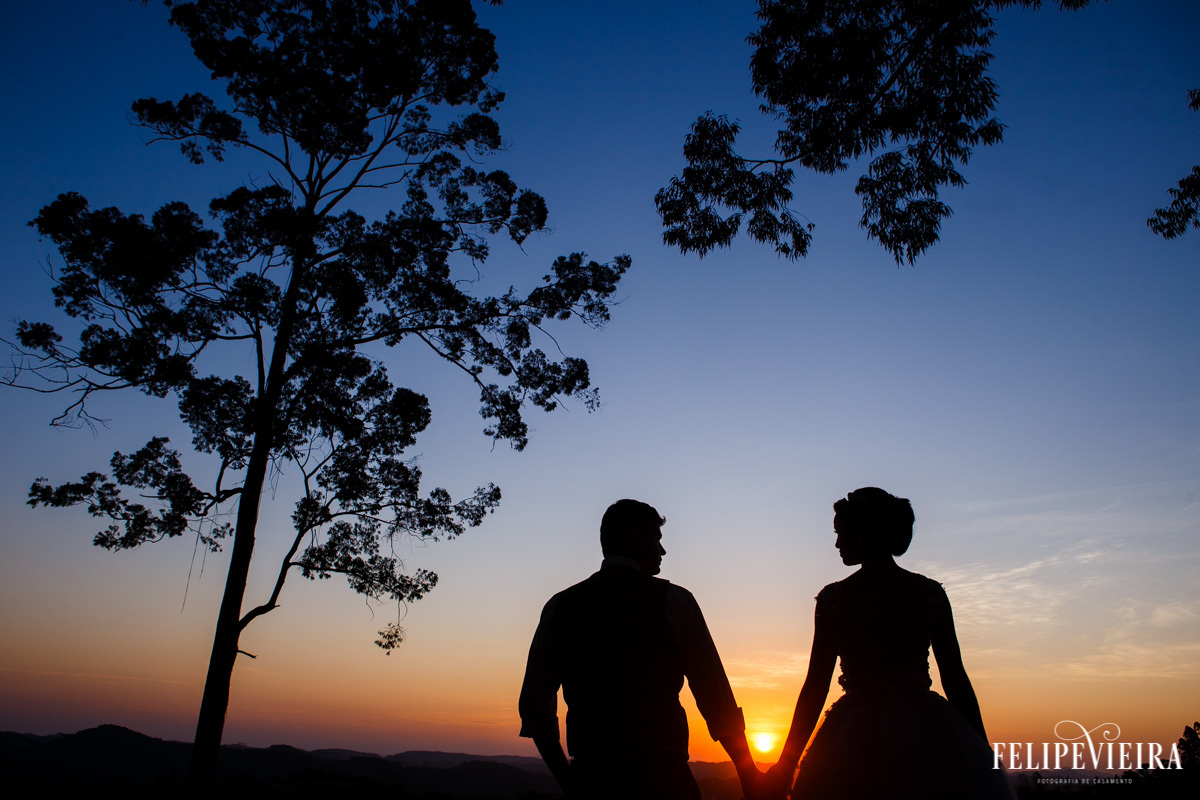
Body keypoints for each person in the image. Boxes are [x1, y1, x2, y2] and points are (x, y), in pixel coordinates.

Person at [764, 488, 1016, 800]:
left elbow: (815, 686)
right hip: (928, 731)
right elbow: (955, 680)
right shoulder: (928, 593)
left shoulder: (834, 599)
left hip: (854, 737)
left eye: (842, 533)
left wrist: (787, 762)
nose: (837, 543)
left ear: (865, 532)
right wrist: (982, 750)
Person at [519, 499, 761, 800]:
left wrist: (568, 781)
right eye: (657, 539)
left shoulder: (559, 607)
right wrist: (748, 773)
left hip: (593, 775)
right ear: (635, 536)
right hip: (665, 777)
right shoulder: (675, 602)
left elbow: (534, 705)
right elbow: (716, 697)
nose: (662, 551)